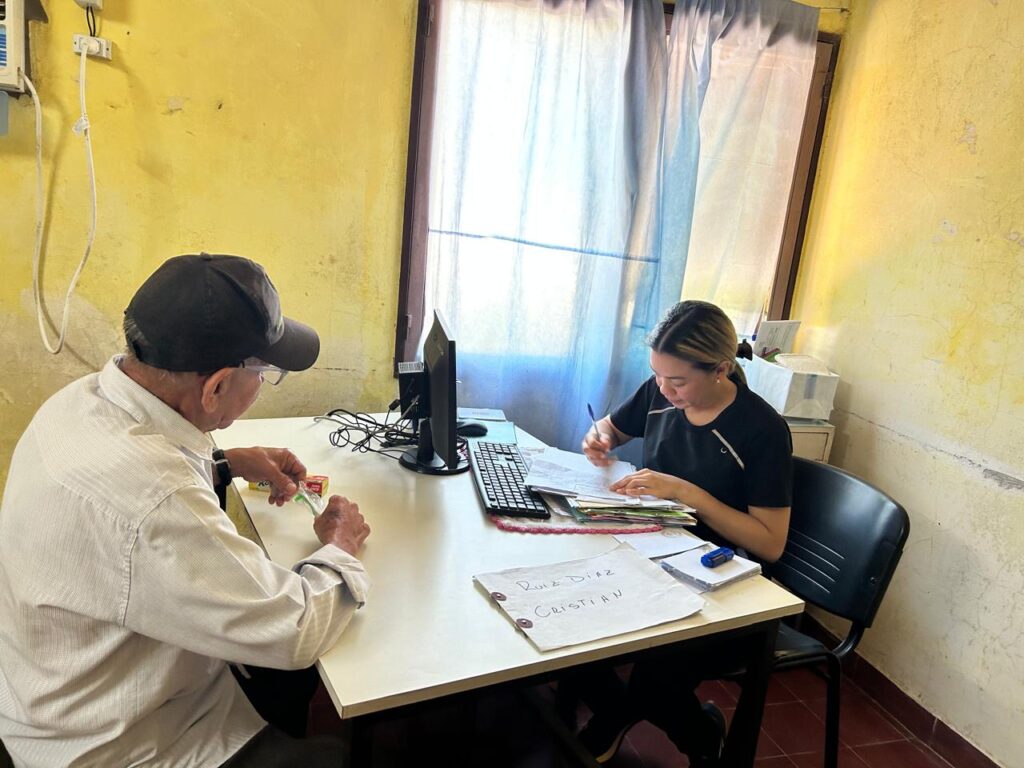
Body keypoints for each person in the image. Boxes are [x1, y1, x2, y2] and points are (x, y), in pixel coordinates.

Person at [0, 254, 371, 768]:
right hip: (121, 744)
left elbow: (133, 511)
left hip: (52, 694)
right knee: (334, 750)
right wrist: (341, 547)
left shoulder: (81, 401)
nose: (264, 382)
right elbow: (296, 631)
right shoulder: (153, 496)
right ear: (216, 387)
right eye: (264, 372)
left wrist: (225, 463)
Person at [574, 300, 793, 766]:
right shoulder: (660, 393)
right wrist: (599, 439)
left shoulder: (761, 429)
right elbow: (610, 428)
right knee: (578, 620)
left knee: (656, 675)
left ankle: (699, 736)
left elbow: (770, 543)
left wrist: (687, 493)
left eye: (677, 381)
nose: (663, 389)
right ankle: (616, 710)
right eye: (657, 375)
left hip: (721, 581)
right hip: (652, 551)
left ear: (721, 369)